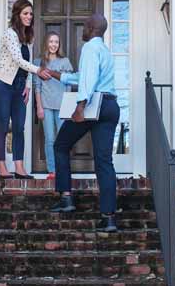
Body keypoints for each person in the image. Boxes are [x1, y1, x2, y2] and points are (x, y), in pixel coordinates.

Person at [44, 14, 120, 232]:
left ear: (91, 28)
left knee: (60, 145)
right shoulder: (105, 50)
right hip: (110, 105)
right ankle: (108, 218)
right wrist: (57, 75)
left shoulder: (89, 48)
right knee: (104, 161)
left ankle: (66, 198)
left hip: (92, 104)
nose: (82, 30)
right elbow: (84, 75)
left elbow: (88, 81)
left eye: (85, 26)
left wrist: (80, 106)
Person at [0, 0, 50, 180]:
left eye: (31, 14)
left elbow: (27, 64)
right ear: (17, 15)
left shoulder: (27, 39)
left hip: (19, 88)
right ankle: (1, 167)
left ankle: (19, 167)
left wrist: (27, 86)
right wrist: (38, 71)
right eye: (25, 13)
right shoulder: (10, 34)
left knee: (19, 127)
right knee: (2, 126)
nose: (29, 17)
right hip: (3, 85)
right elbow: (18, 60)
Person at [34, 32, 73, 180]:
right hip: (46, 106)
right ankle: (52, 170)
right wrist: (39, 107)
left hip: (62, 105)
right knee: (50, 139)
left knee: (63, 139)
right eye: (51, 41)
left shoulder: (65, 62)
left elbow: (69, 84)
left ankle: (63, 169)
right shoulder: (39, 63)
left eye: (56, 42)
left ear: (59, 45)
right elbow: (37, 86)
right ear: (46, 43)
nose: (53, 45)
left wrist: (68, 106)